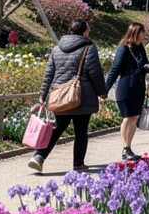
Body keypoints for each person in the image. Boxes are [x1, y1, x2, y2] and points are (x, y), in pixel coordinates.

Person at [30, 18, 106, 173]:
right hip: (82, 97)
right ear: (84, 31)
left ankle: (39, 156)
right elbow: (95, 73)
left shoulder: (57, 48)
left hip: (59, 95)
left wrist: (43, 95)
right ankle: (78, 164)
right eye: (88, 29)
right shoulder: (88, 48)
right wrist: (102, 92)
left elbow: (48, 74)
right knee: (81, 131)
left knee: (57, 128)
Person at [104, 22, 149, 162]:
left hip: (138, 87)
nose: (143, 37)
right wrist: (105, 90)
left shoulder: (140, 48)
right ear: (135, 33)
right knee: (127, 117)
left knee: (134, 118)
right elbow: (115, 69)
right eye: (142, 34)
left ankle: (128, 147)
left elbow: (143, 65)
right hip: (125, 87)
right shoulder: (123, 49)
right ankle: (125, 148)